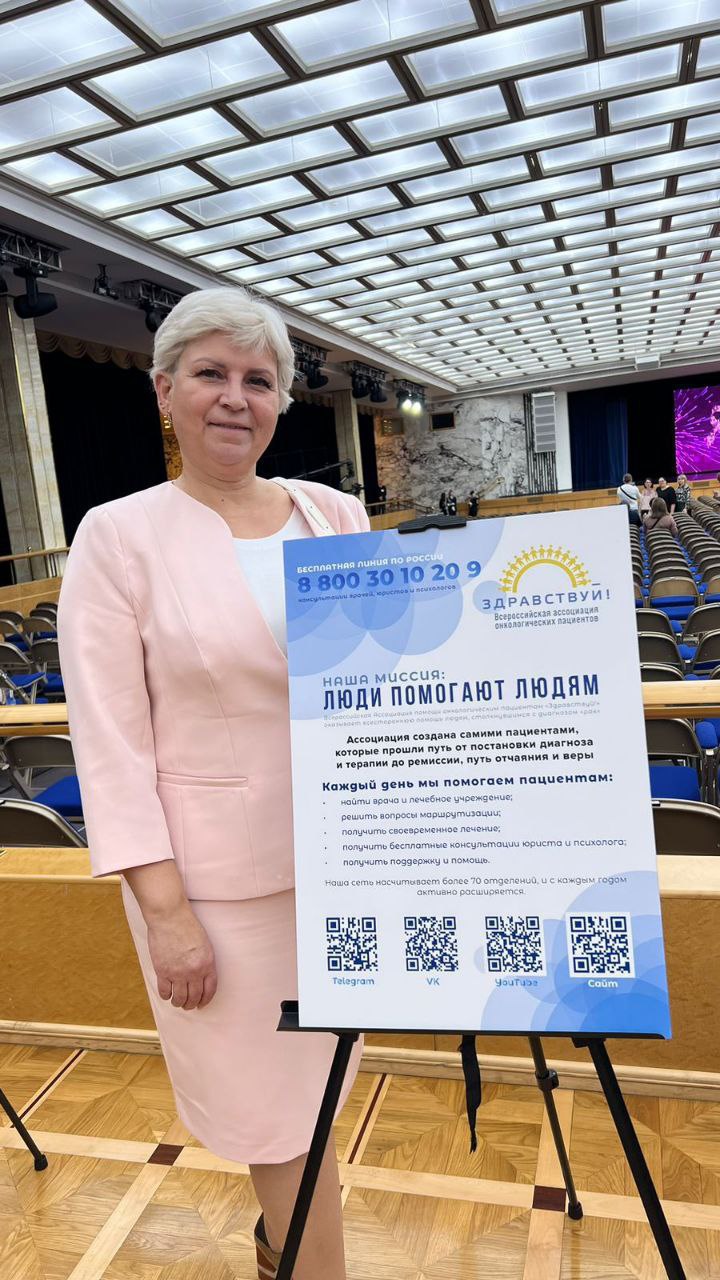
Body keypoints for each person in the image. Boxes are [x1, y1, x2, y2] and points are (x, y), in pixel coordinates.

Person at [57, 288, 369, 1280]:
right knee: (278, 1123)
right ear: (164, 392)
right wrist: (167, 914)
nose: (236, 397)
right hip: (217, 899)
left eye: (258, 380)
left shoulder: (335, 514)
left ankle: (282, 1247)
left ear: (281, 401)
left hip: (345, 872)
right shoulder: (117, 534)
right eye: (211, 374)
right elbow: (110, 743)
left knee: (317, 1101)